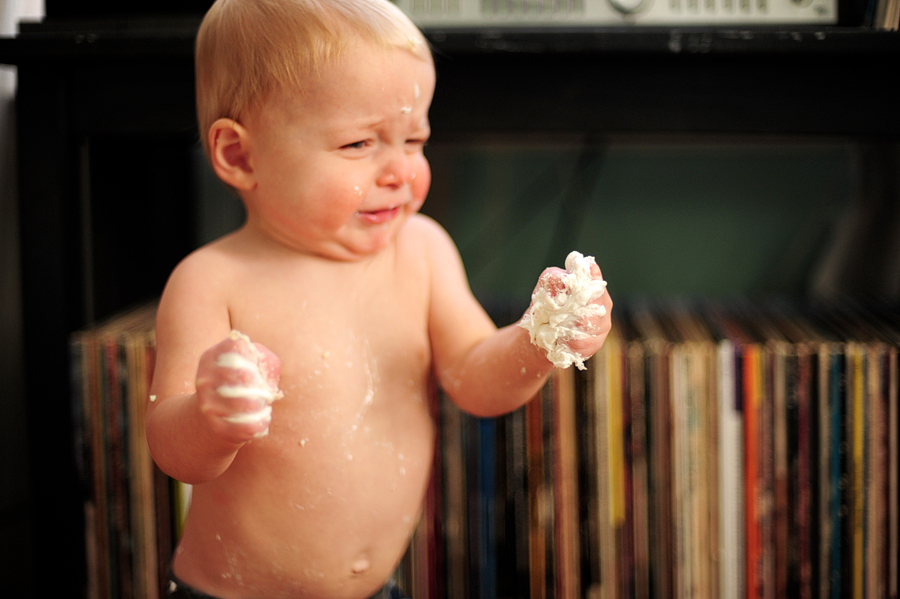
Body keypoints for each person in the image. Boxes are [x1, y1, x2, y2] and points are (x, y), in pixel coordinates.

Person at [145, 0, 613, 598]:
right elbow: (172, 449)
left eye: (414, 138)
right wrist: (211, 418)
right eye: (359, 144)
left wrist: (538, 341)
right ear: (240, 155)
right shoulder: (211, 280)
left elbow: (473, 376)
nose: (400, 170)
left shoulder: (420, 252)